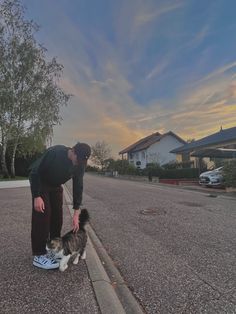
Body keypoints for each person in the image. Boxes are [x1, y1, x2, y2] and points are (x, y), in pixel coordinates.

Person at [29, 142, 91, 270]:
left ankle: (53, 249)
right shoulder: (55, 152)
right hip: (42, 184)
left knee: (57, 218)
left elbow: (78, 186)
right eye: (77, 160)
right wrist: (36, 196)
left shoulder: (80, 163)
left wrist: (76, 213)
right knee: (43, 217)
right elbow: (34, 172)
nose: (77, 163)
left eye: (81, 162)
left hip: (56, 187)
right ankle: (39, 255)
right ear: (72, 151)